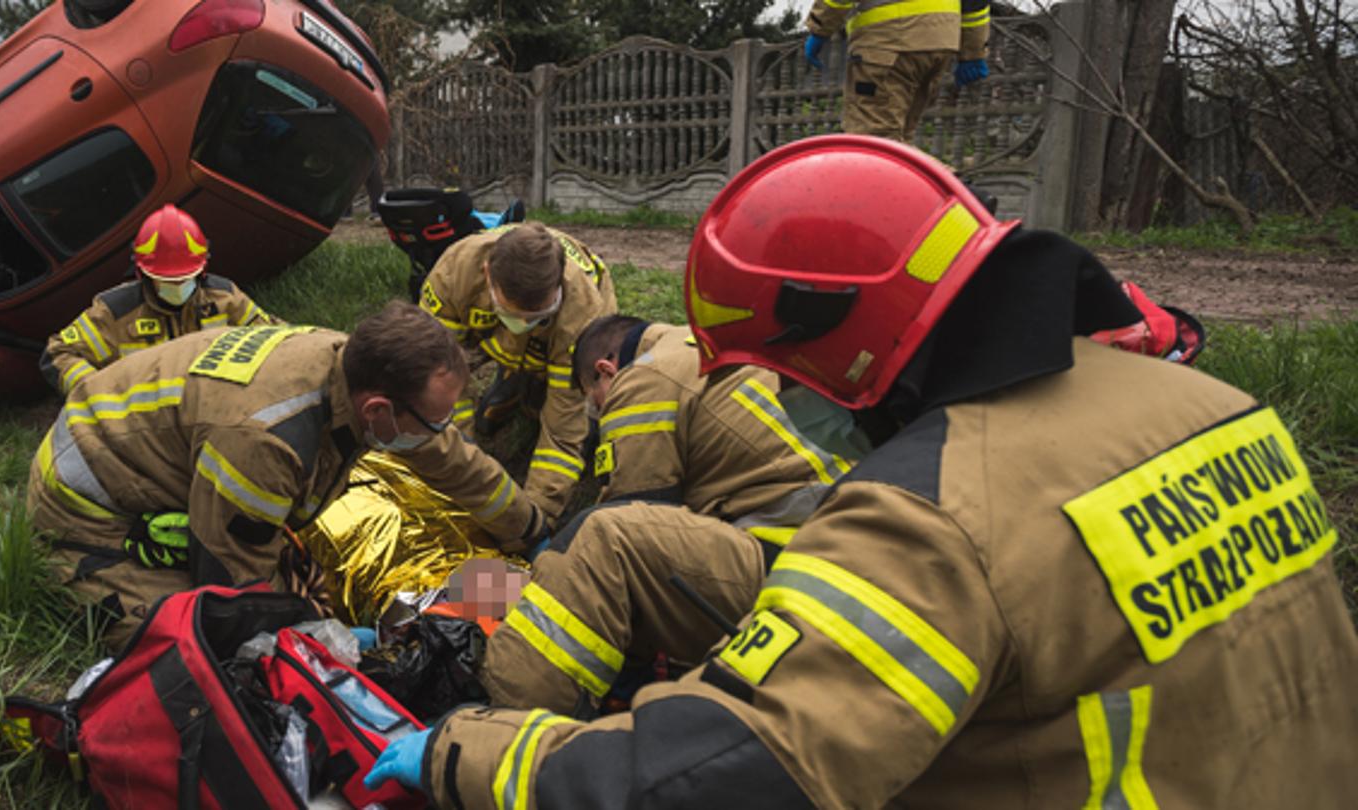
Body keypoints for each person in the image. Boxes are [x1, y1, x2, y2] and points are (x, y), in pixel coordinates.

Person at [369, 135, 1358, 807]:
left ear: (840, 345)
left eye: (766, 374)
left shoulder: (932, 515)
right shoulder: (1215, 407)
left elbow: (731, 773)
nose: (768, 398)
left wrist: (471, 753)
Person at [29, 302, 547, 650]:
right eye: (433, 420)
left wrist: (530, 530)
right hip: (87, 505)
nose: (440, 430)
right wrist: (326, 635)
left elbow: (454, 460)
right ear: (378, 411)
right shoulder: (266, 443)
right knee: (205, 640)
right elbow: (234, 577)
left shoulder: (354, 363)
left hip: (156, 450)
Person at [474, 315, 856, 714]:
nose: (601, 416)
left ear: (606, 371)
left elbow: (636, 511)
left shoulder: (643, 378)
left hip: (789, 564)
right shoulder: (696, 343)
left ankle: (517, 716)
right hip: (832, 547)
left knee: (599, 538)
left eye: (596, 402)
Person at [418, 223, 618, 521]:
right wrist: (462, 459)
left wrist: (535, 517)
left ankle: (531, 383)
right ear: (487, 274)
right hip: (492, 343)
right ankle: (515, 378)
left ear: (558, 289)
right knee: (442, 377)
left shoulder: (583, 315)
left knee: (577, 426)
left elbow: (561, 433)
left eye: (536, 317)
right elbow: (434, 376)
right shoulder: (454, 275)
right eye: (511, 313)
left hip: (559, 346)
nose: (523, 323)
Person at [41, 204, 275, 394]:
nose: (178, 286)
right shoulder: (115, 313)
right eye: (166, 280)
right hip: (144, 422)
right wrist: (97, 392)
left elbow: (273, 337)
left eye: (186, 278)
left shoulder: (225, 298)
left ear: (202, 271)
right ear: (142, 274)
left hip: (214, 408)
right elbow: (58, 355)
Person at [804, 0, 992, 144]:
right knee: (900, 140)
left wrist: (820, 28)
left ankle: (958, 191)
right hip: (940, 45)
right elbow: (975, 3)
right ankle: (932, 191)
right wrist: (973, 51)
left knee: (874, 141)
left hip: (887, 44)